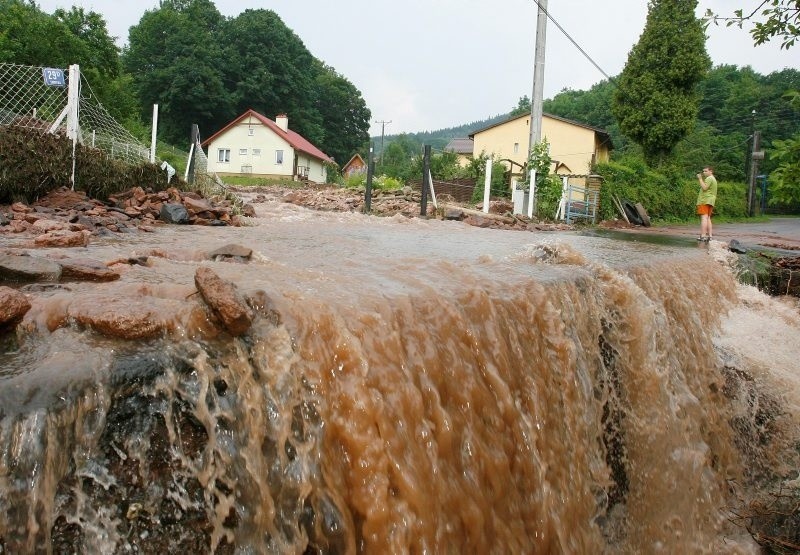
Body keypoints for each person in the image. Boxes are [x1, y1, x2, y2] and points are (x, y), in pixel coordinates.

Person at [696, 166, 718, 241]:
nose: (704, 173)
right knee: (708, 218)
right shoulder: (714, 179)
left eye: (706, 171)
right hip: (711, 200)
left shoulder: (709, 178)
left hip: (705, 200)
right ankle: (710, 236)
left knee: (704, 218)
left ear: (711, 171)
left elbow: (704, 188)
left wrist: (700, 179)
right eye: (703, 171)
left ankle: (703, 236)